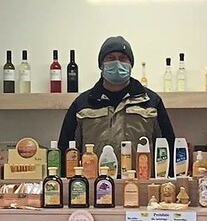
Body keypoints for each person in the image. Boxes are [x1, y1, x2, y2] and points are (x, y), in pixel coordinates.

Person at [58, 35, 175, 171]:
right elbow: (64, 151)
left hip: (140, 184)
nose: (117, 63)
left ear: (131, 65)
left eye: (123, 58)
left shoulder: (151, 102)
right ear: (101, 65)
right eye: (111, 58)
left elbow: (169, 148)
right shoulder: (83, 104)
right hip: (94, 186)